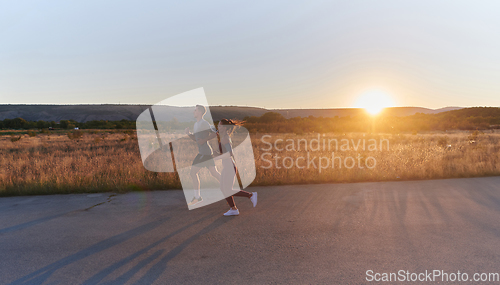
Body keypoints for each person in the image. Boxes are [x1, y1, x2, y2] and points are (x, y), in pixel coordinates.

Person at [214, 119, 257, 216]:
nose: (218, 127)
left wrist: (218, 157)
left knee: (228, 190)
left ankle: (250, 195)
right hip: (227, 167)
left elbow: (229, 153)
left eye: (220, 126)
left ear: (225, 128)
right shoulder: (223, 137)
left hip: (230, 167)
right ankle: (233, 209)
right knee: (223, 188)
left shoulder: (225, 138)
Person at [184, 105, 221, 206]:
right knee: (214, 173)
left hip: (204, 153)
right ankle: (229, 188)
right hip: (205, 153)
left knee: (193, 173)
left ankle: (197, 197)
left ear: (200, 112)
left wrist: (204, 140)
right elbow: (196, 140)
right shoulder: (196, 124)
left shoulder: (204, 123)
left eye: (195, 110)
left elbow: (215, 133)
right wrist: (188, 133)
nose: (193, 112)